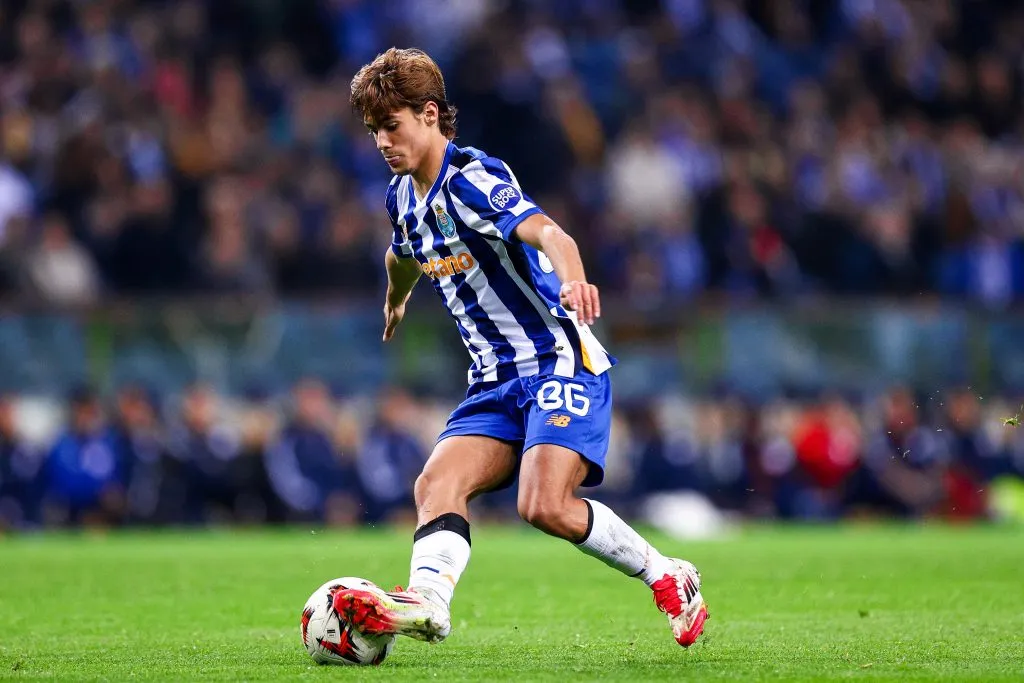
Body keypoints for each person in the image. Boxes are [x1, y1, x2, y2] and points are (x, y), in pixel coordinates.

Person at [332, 48, 708, 649]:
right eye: (373, 129)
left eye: (391, 125)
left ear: (429, 114)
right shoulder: (401, 197)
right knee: (434, 486)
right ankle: (428, 604)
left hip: (557, 360)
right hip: (492, 379)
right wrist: (394, 299)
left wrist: (575, 278)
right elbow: (400, 253)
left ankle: (668, 574)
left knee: (543, 505)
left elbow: (550, 232)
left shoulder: (474, 180)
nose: (381, 141)